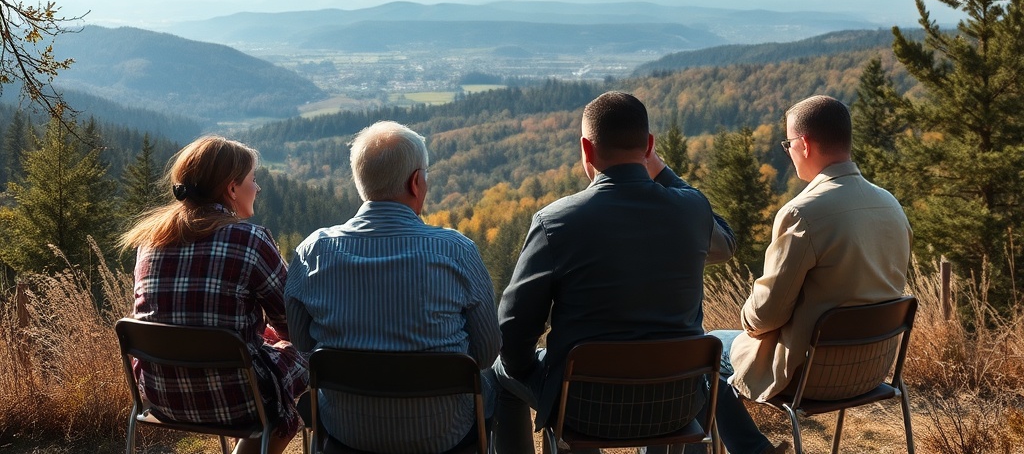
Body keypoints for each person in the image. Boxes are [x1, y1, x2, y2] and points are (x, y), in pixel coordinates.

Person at [492, 91, 737, 453]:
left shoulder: (556, 222)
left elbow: (513, 327)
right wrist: (664, 172)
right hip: (680, 402)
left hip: (585, 408)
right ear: (649, 145)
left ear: (586, 150)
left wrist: (536, 377)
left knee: (501, 373)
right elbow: (724, 239)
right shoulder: (693, 210)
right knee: (668, 376)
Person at [711, 95, 913, 454]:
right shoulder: (890, 204)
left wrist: (746, 316)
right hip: (872, 369)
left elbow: (766, 315)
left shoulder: (802, 213)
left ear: (804, 144)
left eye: (788, 144)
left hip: (811, 377)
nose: (788, 151)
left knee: (705, 350)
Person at [285, 120, 500, 454]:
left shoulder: (312, 251)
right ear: (416, 182)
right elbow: (486, 353)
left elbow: (302, 342)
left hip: (347, 432)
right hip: (444, 435)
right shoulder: (457, 251)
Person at [119, 135, 307, 454]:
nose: (257, 188)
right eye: (253, 179)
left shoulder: (149, 242)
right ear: (232, 188)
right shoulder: (250, 241)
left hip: (158, 394)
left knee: (261, 354)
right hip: (235, 399)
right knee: (304, 352)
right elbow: (294, 325)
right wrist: (280, 338)